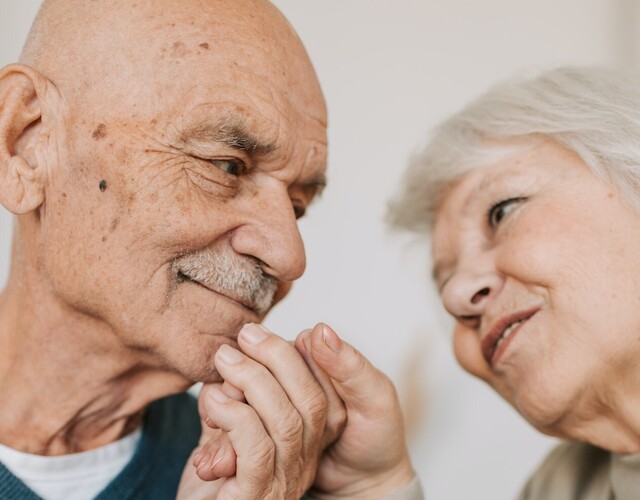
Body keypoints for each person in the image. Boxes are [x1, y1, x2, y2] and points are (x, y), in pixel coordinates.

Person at [0, 0, 420, 498]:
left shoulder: (265, 475)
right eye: (226, 166)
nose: (290, 257)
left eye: (299, 206)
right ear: (25, 144)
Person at [387, 66, 640, 498]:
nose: (454, 296)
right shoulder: (558, 488)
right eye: (443, 280)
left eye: (502, 212)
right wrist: (376, 487)